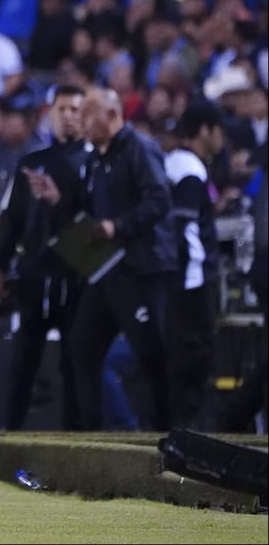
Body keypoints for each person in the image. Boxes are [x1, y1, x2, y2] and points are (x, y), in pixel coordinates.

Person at [25, 86, 176, 432]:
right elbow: (88, 213)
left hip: (142, 269)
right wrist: (57, 199)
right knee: (81, 347)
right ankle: (91, 430)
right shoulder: (96, 159)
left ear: (111, 115)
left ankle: (164, 432)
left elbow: (159, 200)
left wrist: (117, 226)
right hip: (107, 270)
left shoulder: (138, 149)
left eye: (86, 113)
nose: (79, 120)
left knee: (151, 355)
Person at [0, 84, 88, 431]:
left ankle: (76, 439)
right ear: (51, 114)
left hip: (77, 278)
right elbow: (10, 219)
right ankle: (10, 434)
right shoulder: (31, 162)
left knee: (76, 363)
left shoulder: (94, 163)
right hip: (33, 275)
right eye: (62, 109)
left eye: (75, 109)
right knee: (22, 361)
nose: (69, 116)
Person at [165, 101, 224, 429]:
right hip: (190, 283)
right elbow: (183, 229)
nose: (221, 138)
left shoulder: (172, 163)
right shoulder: (190, 170)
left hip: (177, 281)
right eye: (218, 130)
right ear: (204, 130)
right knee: (194, 363)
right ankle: (190, 438)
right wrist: (189, 276)